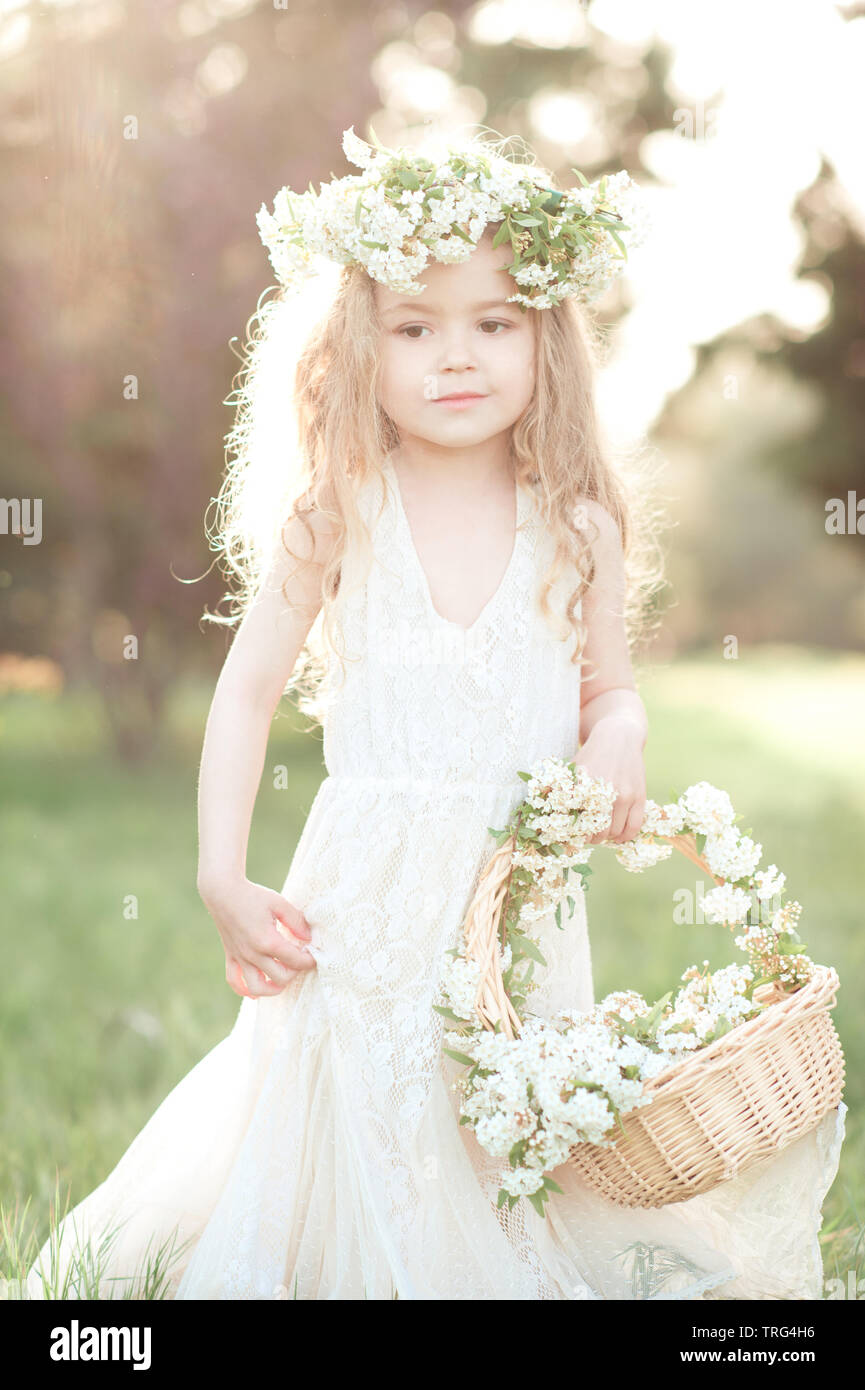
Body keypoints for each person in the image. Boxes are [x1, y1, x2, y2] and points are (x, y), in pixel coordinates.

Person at [25, 127, 845, 1301]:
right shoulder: (337, 513)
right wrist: (221, 871)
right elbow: (248, 690)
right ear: (358, 345)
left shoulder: (577, 525)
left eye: (493, 323)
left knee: (501, 1118)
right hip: (362, 885)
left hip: (512, 897)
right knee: (353, 1098)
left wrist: (619, 731)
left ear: (545, 339)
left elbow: (607, 687)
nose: (453, 357)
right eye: (414, 326)